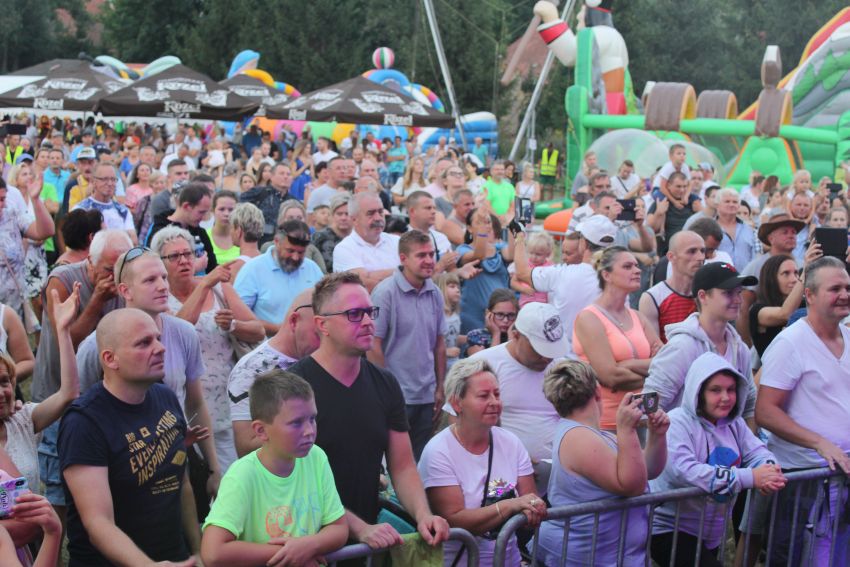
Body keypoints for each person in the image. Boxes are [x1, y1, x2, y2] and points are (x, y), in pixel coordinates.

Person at [288, 272, 450, 549]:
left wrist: (423, 515)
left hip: (370, 539)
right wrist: (359, 528)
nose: (367, 322)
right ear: (322, 324)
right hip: (310, 541)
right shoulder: (294, 386)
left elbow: (402, 466)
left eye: (369, 312)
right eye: (354, 314)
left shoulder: (385, 383)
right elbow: (293, 478)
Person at [59, 308, 195, 566]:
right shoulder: (84, 422)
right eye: (144, 343)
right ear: (110, 359)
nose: (160, 348)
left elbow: (182, 484)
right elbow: (98, 523)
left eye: (157, 338)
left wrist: (198, 553)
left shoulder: (165, 397)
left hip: (174, 558)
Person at [33, 230, 132, 525]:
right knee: (58, 488)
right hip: (58, 397)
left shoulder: (125, 284)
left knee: (101, 480)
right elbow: (69, 341)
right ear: (90, 260)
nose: (114, 277)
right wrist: (98, 299)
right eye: (108, 269)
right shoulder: (62, 280)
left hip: (102, 398)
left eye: (120, 269)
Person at [756, 256, 850, 565]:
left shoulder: (849, 337)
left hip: (842, 478)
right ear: (809, 294)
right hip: (804, 483)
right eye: (835, 289)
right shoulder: (790, 343)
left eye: (848, 287)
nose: (845, 294)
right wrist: (820, 443)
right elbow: (765, 412)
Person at [200, 370, 348, 567]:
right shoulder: (242, 475)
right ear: (261, 431)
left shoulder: (316, 457)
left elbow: (339, 527)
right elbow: (213, 553)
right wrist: (291, 553)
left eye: (312, 419)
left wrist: (309, 546)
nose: (309, 431)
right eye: (296, 423)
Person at [650, 353, 785, 567]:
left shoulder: (735, 424)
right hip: (670, 529)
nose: (725, 397)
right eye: (715, 390)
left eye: (731, 389)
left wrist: (769, 471)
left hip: (711, 532)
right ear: (698, 391)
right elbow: (684, 471)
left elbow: (757, 452)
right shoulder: (676, 422)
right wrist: (751, 477)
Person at [536, 360, 669, 566]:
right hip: (587, 558)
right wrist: (626, 429)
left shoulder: (597, 436)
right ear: (598, 391)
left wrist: (657, 435)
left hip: (609, 556)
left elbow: (647, 470)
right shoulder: (578, 437)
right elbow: (632, 485)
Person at [153, 226, 264, 473]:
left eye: (188, 254)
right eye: (174, 256)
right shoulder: (159, 297)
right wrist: (204, 284)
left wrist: (233, 325)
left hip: (225, 399)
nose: (184, 261)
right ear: (160, 263)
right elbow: (177, 330)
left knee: (230, 475)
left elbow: (258, 330)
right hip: (184, 403)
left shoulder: (219, 288)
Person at [419, 359, 546, 567]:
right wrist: (510, 505)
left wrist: (532, 509)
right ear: (457, 403)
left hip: (509, 561)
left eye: (497, 394)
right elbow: (454, 520)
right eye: (483, 396)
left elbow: (530, 501)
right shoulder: (439, 451)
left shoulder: (511, 442)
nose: (494, 402)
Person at [645, 262, 758, 421]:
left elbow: (749, 404)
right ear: (703, 296)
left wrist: (744, 436)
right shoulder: (683, 346)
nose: (738, 300)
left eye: (739, 292)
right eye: (728, 293)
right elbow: (649, 405)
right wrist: (677, 432)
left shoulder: (739, 348)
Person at [370, 230, 447, 460]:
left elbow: (439, 344)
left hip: (427, 397)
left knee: (420, 462)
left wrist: (440, 388)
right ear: (403, 258)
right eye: (421, 255)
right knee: (394, 462)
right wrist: (387, 392)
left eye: (431, 254)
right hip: (397, 398)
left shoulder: (435, 293)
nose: (429, 260)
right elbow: (373, 345)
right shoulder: (385, 292)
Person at [574, 246, 662, 431]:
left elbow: (667, 362)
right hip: (608, 424)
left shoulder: (637, 316)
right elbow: (611, 376)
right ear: (607, 275)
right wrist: (654, 376)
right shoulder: (589, 318)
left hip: (645, 419)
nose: (637, 270)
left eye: (636, 266)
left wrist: (628, 364)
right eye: (628, 266)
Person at [229, 289, 320, 457]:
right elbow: (246, 447)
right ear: (294, 321)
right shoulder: (251, 370)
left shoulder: (332, 358)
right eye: (318, 334)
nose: (326, 344)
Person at [513, 215, 617, 357]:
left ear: (583, 243)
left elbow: (522, 272)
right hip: (604, 357)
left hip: (566, 357)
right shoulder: (619, 277)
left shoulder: (562, 273)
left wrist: (519, 237)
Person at [234, 220, 323, 335]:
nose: (295, 257)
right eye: (290, 251)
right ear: (276, 242)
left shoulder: (312, 268)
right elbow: (239, 317)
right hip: (266, 343)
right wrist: (279, 329)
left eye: (301, 253)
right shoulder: (253, 269)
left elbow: (324, 308)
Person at [737, 211, 805, 346]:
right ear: (771, 238)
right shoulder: (756, 266)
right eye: (785, 232)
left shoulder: (802, 263)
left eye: (794, 232)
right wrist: (746, 344)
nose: (791, 235)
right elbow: (743, 307)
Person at [0, 174, 55, 321]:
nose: (3, 204)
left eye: (3, 199)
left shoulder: (11, 215)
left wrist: (35, 200)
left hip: (14, 309)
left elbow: (46, 231)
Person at [639, 230, 706, 342]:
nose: (700, 257)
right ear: (671, 256)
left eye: (703, 251)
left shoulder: (709, 293)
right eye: (692, 251)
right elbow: (654, 348)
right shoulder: (653, 298)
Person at [456, 208, 514, 332]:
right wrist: (482, 230)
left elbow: (511, 256)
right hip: (474, 318)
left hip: (502, 318)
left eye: (487, 222)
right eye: (479, 222)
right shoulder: (462, 250)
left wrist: (512, 226)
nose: (485, 225)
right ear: (469, 228)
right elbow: (479, 255)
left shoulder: (499, 248)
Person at [749, 250, 815, 357]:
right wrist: (805, 273)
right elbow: (786, 314)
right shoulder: (757, 310)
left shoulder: (805, 303)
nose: (794, 279)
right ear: (771, 278)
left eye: (796, 273)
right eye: (786, 273)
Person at [332, 193, 400, 291]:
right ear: (354, 219)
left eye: (380, 212)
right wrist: (402, 273)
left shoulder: (397, 241)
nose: (378, 218)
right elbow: (363, 285)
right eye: (370, 213)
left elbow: (415, 275)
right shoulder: (344, 249)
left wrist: (371, 275)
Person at [147, 181, 218, 273]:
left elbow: (212, 266)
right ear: (186, 206)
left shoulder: (200, 232)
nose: (204, 217)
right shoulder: (159, 231)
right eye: (201, 212)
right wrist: (194, 268)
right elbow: (154, 270)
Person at [72, 163, 137, 244]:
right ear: (93, 181)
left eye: (113, 179)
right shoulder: (81, 210)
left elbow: (133, 241)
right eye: (104, 179)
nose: (110, 183)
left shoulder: (123, 211)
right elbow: (77, 242)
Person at [239, 164, 296, 245]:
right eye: (282, 173)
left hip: (285, 245)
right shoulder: (258, 193)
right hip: (258, 243)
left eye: (288, 174)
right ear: (272, 177)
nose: (286, 177)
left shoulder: (293, 202)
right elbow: (238, 210)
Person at [648, 171, 701, 255]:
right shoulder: (661, 201)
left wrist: (700, 211)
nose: (682, 190)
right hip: (667, 252)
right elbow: (650, 229)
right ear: (669, 185)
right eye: (678, 186)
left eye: (684, 186)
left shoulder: (693, 202)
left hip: (690, 250)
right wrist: (658, 213)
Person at [715, 188, 758, 269]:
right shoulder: (709, 228)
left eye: (735, 202)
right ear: (717, 205)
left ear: (738, 206)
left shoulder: (749, 229)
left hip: (746, 276)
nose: (731, 204)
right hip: (718, 275)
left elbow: (755, 258)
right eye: (727, 201)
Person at [509, 232, 553, 307]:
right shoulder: (525, 266)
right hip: (525, 304)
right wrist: (524, 289)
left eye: (538, 254)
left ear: (548, 254)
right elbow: (513, 283)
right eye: (531, 253)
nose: (534, 257)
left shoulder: (550, 267)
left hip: (543, 305)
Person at [311, 194, 351, 273]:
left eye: (347, 214)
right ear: (332, 215)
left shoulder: (359, 238)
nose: (343, 218)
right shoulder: (319, 237)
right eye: (339, 214)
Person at [228, 203, 264, 279]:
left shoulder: (234, 268)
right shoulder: (267, 263)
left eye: (231, 227)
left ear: (238, 231)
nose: (230, 232)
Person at [206, 191, 240, 264]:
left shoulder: (242, 237)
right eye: (221, 209)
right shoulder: (204, 236)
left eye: (231, 210)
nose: (226, 214)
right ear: (213, 211)